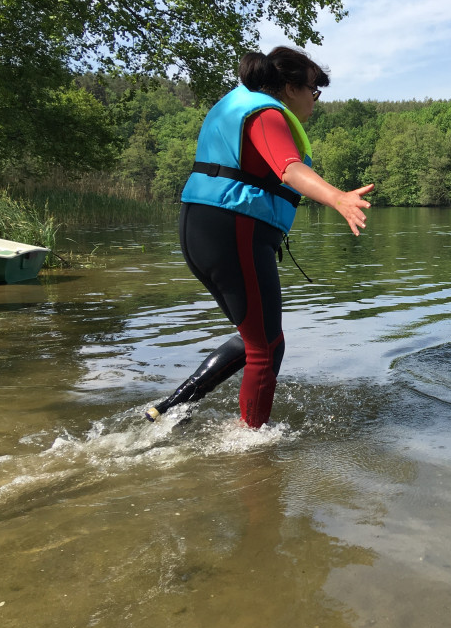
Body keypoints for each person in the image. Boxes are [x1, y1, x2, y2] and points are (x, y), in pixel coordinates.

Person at [146, 46, 373, 427]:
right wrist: (338, 198)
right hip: (234, 231)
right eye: (313, 90)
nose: (314, 101)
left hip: (204, 229)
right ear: (288, 87)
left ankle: (167, 410)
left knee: (256, 339)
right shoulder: (267, 113)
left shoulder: (236, 106)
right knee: (267, 347)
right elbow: (288, 168)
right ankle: (252, 448)